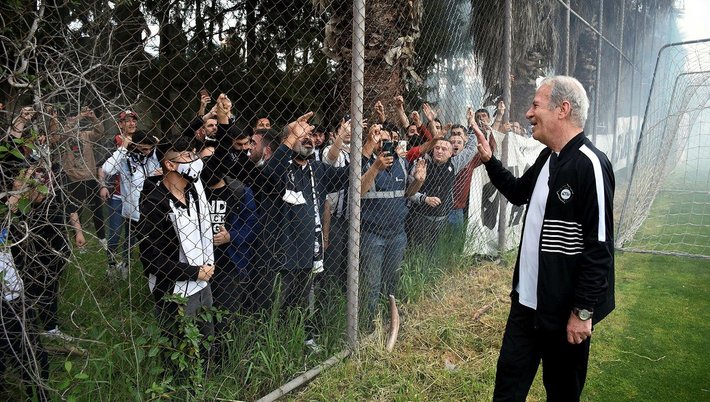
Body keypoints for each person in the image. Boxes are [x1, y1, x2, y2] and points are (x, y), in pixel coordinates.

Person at [474, 75, 615, 401]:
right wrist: (490, 161)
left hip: (565, 315)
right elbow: (518, 192)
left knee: (563, 395)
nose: (528, 113)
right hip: (525, 307)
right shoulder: (547, 157)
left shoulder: (591, 165)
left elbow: (599, 249)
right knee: (506, 392)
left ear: (562, 109)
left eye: (535, 105)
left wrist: (583, 312)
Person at [138, 137, 215, 354]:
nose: (195, 160)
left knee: (205, 343)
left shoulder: (194, 193)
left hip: (203, 282)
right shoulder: (154, 203)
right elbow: (151, 259)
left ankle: (206, 373)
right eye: (188, 156)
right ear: (170, 164)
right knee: (179, 349)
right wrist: (194, 272)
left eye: (194, 154)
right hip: (175, 291)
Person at [360, 123, 426, 324]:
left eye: (387, 141)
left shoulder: (402, 164)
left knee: (392, 280)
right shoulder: (364, 163)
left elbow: (408, 193)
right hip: (372, 235)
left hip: (397, 234)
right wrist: (375, 167)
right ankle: (370, 324)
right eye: (380, 140)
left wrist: (418, 181)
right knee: (371, 284)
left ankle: (390, 319)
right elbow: (358, 191)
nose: (384, 144)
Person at [58, 106, 107, 249]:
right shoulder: (64, 136)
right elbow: (65, 131)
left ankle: (102, 238)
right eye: (70, 118)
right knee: (75, 211)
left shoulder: (85, 135)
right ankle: (79, 241)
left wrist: (93, 117)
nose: (73, 120)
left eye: (74, 118)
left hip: (89, 177)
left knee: (97, 210)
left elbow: (100, 132)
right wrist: (78, 116)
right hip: (73, 178)